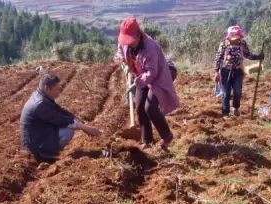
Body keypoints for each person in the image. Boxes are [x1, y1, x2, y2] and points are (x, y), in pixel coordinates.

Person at [114, 18, 179, 150]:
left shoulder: (150, 47)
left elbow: (152, 73)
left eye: (130, 40)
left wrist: (136, 83)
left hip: (158, 77)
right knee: (139, 108)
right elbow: (120, 50)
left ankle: (167, 136)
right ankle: (147, 141)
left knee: (149, 107)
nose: (127, 43)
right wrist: (120, 58)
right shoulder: (124, 41)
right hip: (140, 75)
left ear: (138, 35)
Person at [20, 72, 101, 161]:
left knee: (70, 123)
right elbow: (61, 120)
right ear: (47, 88)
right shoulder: (40, 104)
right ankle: (46, 155)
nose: (60, 91)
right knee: (68, 131)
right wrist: (85, 128)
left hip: (38, 135)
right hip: (35, 145)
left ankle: (48, 150)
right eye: (57, 89)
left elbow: (59, 110)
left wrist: (77, 120)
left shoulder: (40, 96)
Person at [214, 25, 264, 118]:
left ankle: (236, 107)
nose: (235, 36)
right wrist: (217, 71)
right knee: (226, 93)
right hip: (225, 71)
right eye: (233, 34)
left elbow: (247, 54)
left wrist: (258, 56)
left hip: (238, 71)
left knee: (237, 91)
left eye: (236, 34)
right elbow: (218, 57)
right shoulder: (224, 44)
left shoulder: (242, 43)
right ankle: (225, 113)